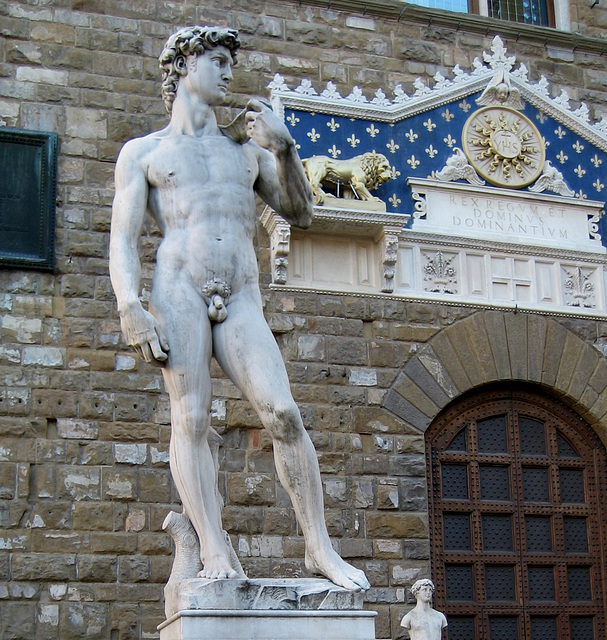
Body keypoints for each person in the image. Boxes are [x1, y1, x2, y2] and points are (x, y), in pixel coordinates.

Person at [109, 26, 369, 592]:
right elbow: (123, 240)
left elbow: (299, 213)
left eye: (231, 63)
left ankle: (318, 547)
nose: (229, 73)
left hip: (242, 295)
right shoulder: (145, 153)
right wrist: (130, 305)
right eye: (219, 61)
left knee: (283, 413)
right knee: (193, 418)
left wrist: (285, 146)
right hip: (177, 291)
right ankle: (214, 545)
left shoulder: (246, 148)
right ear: (183, 66)